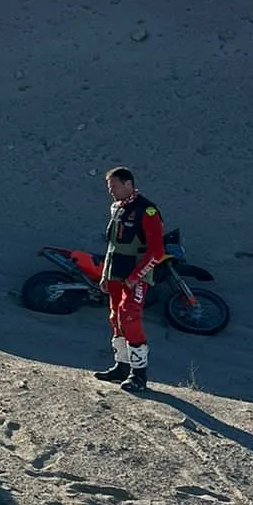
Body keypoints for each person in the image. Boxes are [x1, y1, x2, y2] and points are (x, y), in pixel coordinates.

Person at [93, 165, 166, 394]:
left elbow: (157, 251)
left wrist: (136, 277)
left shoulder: (147, 210)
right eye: (109, 187)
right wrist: (105, 275)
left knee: (129, 316)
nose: (111, 191)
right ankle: (122, 366)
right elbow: (112, 245)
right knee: (116, 317)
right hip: (116, 272)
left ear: (128, 184)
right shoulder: (117, 208)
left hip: (136, 274)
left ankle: (139, 375)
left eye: (114, 186)